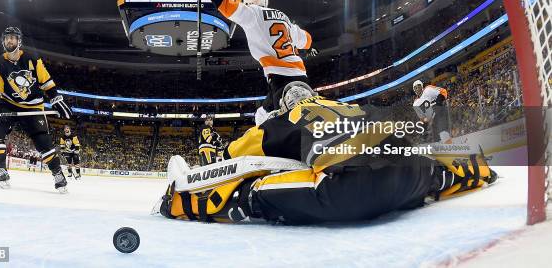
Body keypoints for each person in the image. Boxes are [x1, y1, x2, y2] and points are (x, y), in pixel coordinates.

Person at [157, 82, 497, 224]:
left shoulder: (282, 120)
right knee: (416, 162)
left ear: (286, 103)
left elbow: (232, 159)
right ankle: (454, 173)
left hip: (353, 189)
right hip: (413, 173)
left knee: (253, 189)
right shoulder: (348, 106)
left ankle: (186, 204)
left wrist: (221, 138)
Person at [191, 0, 318, 125]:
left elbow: (228, 7)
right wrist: (307, 47)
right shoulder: (284, 18)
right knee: (261, 114)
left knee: (285, 125)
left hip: (280, 79)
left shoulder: (253, 13)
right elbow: (307, 40)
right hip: (301, 75)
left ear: (250, 2)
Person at [0, 26, 72, 191]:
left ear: (19, 41)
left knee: (43, 141)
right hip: (8, 104)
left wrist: (56, 98)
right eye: (6, 38)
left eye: (12, 37)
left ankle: (57, 173)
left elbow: (46, 81)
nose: (9, 40)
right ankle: (1, 170)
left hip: (32, 106)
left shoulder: (32, 59)